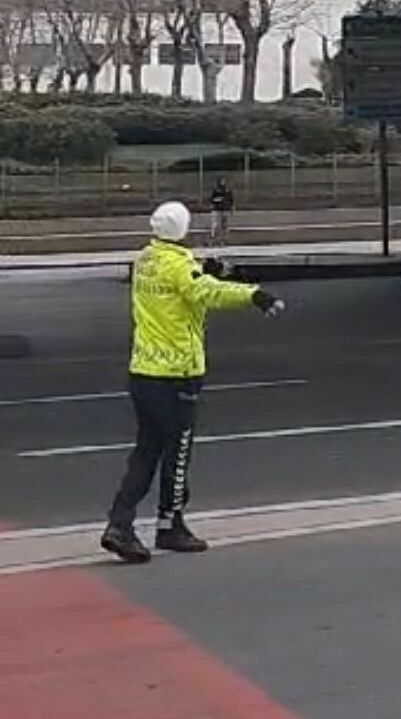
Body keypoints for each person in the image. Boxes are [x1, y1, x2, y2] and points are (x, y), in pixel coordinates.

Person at [101, 201, 284, 565]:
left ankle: (120, 523)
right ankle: (170, 525)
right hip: (177, 375)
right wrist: (253, 294)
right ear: (183, 229)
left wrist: (203, 271)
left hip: (144, 371)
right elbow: (206, 292)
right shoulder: (179, 266)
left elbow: (182, 287)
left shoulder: (145, 260)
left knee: (146, 451)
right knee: (178, 452)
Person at [209, 176, 235, 245]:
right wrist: (217, 200)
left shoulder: (228, 190)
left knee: (225, 225)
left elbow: (231, 200)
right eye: (222, 181)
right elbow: (211, 199)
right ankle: (214, 238)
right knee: (215, 225)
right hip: (217, 209)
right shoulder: (216, 190)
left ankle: (224, 240)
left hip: (225, 209)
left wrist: (231, 208)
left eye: (224, 181)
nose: (223, 182)